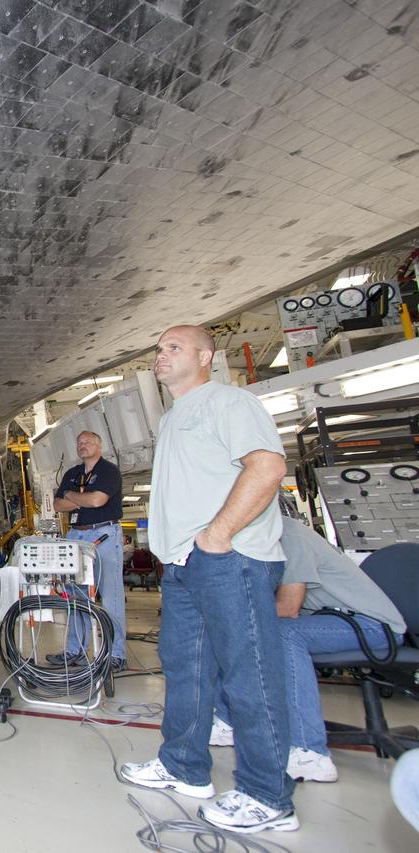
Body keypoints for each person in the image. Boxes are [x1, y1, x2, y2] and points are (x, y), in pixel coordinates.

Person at [119, 324, 297, 834]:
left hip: (229, 559)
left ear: (205, 357)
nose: (161, 355)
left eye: (173, 347)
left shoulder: (228, 402)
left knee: (249, 674)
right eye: (158, 349)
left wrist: (217, 535)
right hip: (182, 566)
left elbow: (266, 467)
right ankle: (183, 766)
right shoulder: (175, 416)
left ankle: (268, 795)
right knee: (186, 670)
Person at [211, 515, 405, 783]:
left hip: (371, 626)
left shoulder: (289, 536)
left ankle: (309, 751)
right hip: (328, 620)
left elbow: (288, 608)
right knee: (238, 630)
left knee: (284, 633)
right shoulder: (259, 538)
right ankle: (227, 721)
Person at [47, 431, 127, 671]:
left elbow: (97, 502)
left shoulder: (108, 471)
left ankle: (116, 653)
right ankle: (76, 651)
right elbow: (59, 505)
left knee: (111, 596)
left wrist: (72, 495)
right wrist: (82, 497)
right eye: (79, 442)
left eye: (88, 442)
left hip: (103, 535)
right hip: (76, 535)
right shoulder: (72, 474)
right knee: (75, 597)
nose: (83, 445)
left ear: (99, 446)